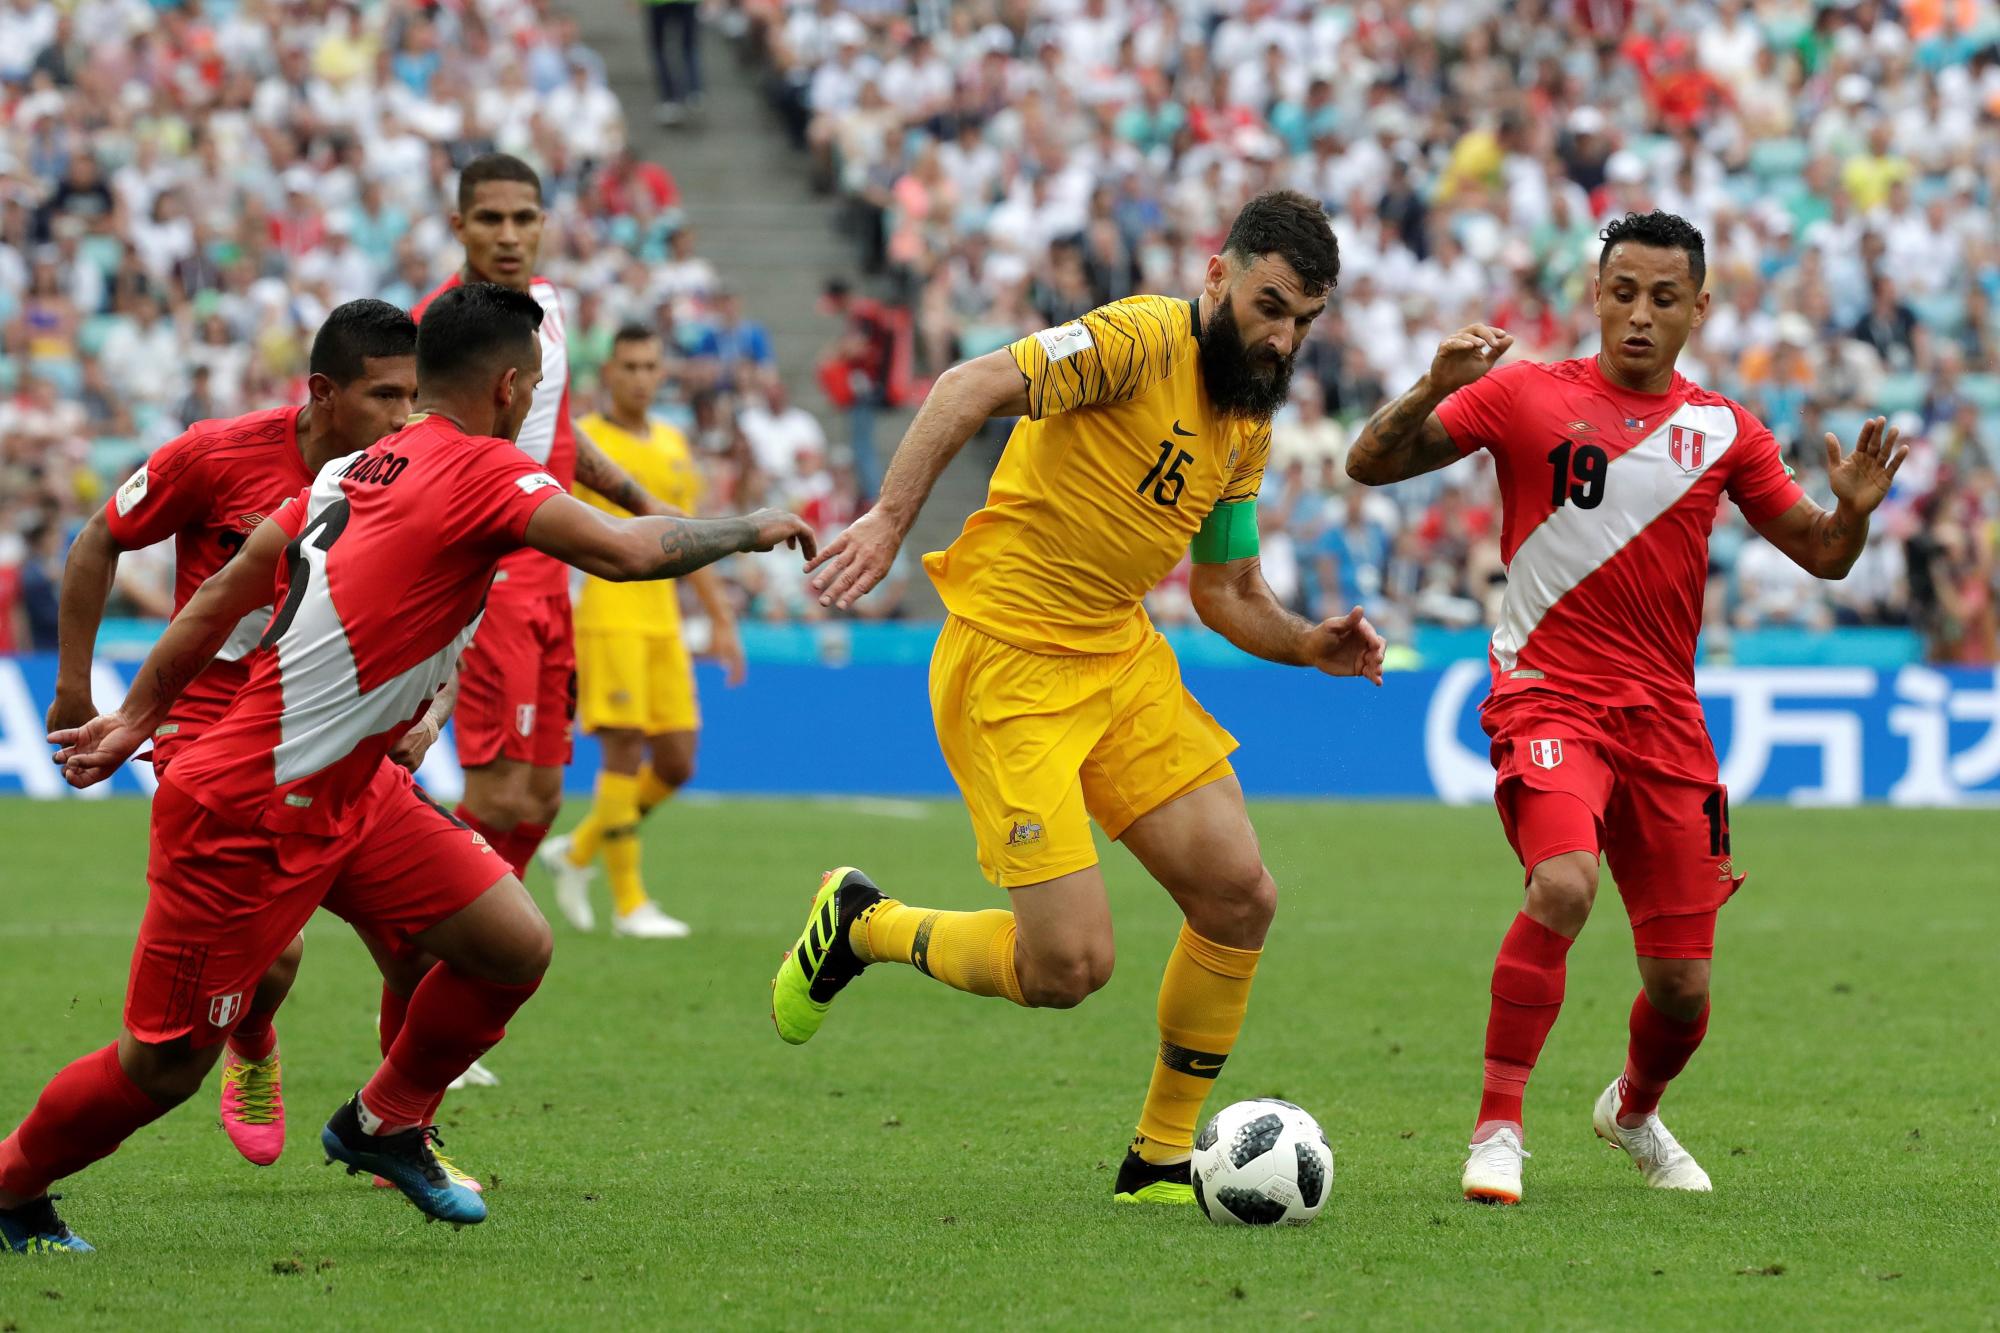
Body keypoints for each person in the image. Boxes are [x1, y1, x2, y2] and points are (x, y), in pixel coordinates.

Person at [5, 282, 813, 1252]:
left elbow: (229, 584)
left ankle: (384, 1119)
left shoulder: (356, 468)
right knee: (163, 1067)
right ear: (512, 386)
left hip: (353, 789)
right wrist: (748, 527)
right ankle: (11, 1184)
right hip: (247, 807)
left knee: (509, 944)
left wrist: (137, 711)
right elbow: (624, 552)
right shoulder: (479, 471)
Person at [769, 190, 1385, 1205]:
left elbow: (1226, 592)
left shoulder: (1243, 419)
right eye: (1270, 306)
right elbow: (966, 387)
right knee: (1066, 968)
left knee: (1239, 896)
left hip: (1118, 655)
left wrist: (1307, 642)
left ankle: (1155, 1156)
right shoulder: (1135, 341)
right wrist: (886, 519)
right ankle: (864, 921)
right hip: (1009, 661)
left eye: (1303, 321)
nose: (1281, 338)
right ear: (1217, 276)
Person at [1344, 211, 1906, 1206]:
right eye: (1620, 292)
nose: (1636, 315)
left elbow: (1819, 555)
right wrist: (1432, 385)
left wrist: (1852, 515)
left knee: (1681, 991)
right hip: (1545, 696)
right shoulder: (1521, 395)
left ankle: (1632, 1111)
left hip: (1663, 726)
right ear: (1593, 294)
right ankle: (1496, 1126)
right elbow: (1369, 463)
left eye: (1660, 297)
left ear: (1696, 306)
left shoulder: (1725, 430)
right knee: (1561, 883)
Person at [45, 299, 420, 1173]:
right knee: (276, 949)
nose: (406, 417)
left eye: (415, 395)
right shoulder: (217, 454)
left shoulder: (406, 471)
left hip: (328, 718)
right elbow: (100, 535)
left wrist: (427, 710)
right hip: (207, 717)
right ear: (325, 393)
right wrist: (73, 685)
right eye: (387, 396)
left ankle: (400, 1118)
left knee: (433, 940)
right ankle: (252, 1045)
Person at [413, 154, 670, 907]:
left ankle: (479, 950)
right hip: (486, 578)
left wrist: (638, 498)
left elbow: (559, 432)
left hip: (551, 578)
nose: (509, 234)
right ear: (459, 226)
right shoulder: (443, 330)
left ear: (544, 225)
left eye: (524, 217)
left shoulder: (549, 308)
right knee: (495, 800)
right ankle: (437, 946)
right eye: (489, 218)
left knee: (542, 798)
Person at [539, 325, 746, 938]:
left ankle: (576, 851)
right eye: (627, 365)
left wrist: (721, 617)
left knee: (679, 759)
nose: (638, 376)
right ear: (608, 373)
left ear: (662, 373)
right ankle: (629, 903)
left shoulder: (675, 444)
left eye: (649, 365)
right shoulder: (585, 444)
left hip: (664, 621)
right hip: (607, 613)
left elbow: (688, 537)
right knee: (624, 749)